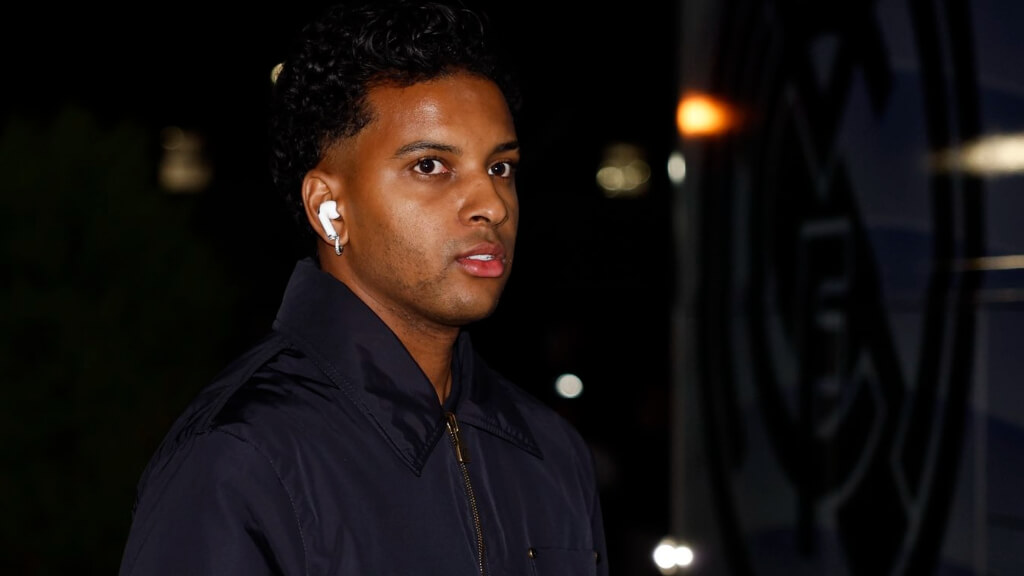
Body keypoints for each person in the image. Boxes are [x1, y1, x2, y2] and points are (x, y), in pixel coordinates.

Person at [117, 0, 609, 574]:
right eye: (430, 166)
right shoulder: (241, 455)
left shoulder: (551, 451)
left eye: (500, 168)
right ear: (329, 209)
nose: (492, 205)